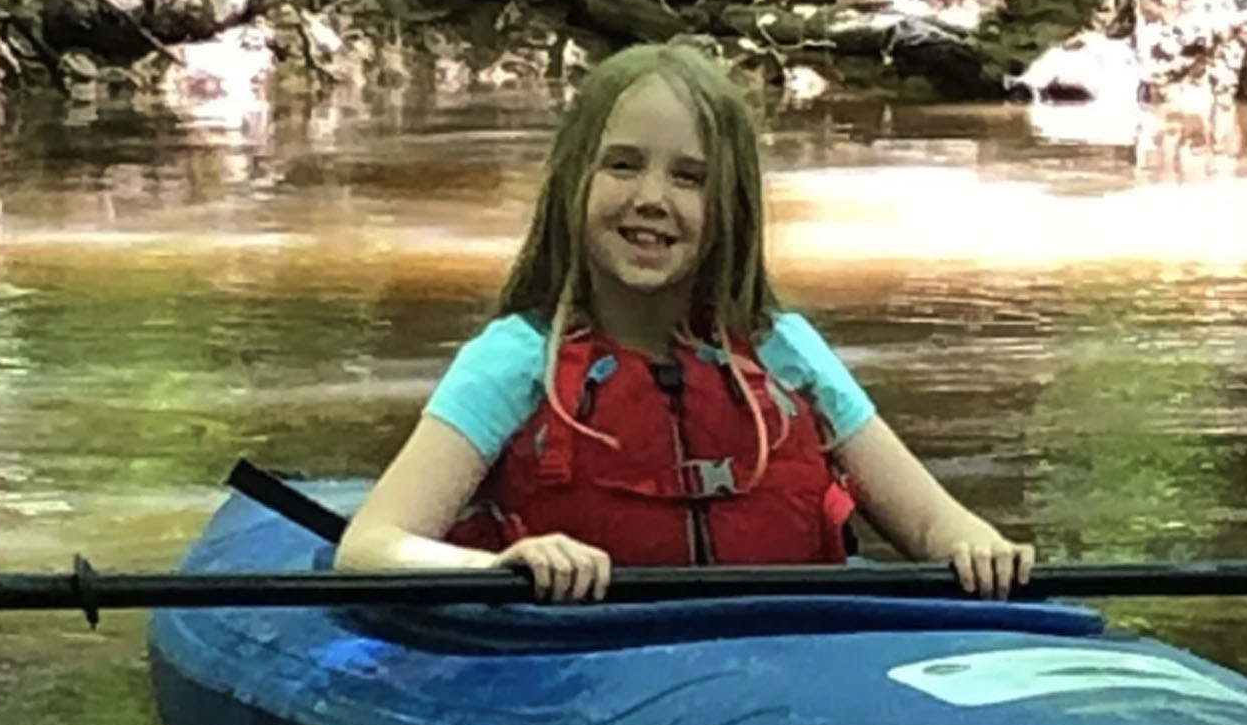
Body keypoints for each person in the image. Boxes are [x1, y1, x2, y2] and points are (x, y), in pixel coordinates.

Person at [333, 40, 1035, 602]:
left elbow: (934, 523)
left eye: (689, 177)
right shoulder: (516, 359)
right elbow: (370, 547)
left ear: (730, 207)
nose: (652, 197)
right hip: (584, 676)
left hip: (788, 670)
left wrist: (976, 548)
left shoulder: (784, 351)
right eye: (623, 165)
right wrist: (498, 567)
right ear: (574, 181)